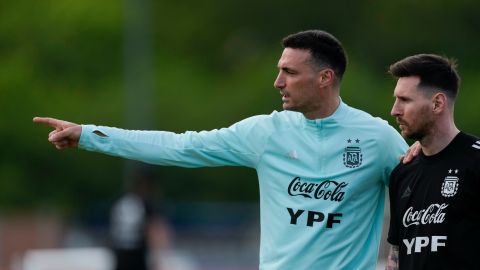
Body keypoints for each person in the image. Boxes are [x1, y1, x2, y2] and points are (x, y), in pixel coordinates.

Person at [34, 30, 411, 269]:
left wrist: (398, 255)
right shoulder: (266, 133)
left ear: (325, 78)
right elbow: (180, 146)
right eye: (279, 70)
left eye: (290, 73)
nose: (278, 81)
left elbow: (422, 192)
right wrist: (90, 134)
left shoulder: (376, 138)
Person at [385, 54, 480, 270]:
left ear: (437, 103)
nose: (395, 110)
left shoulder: (475, 162)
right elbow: (397, 253)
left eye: (405, 100)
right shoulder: (403, 172)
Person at [110, 168, 169, 270]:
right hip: (138, 256)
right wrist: (158, 256)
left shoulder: (120, 201)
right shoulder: (145, 204)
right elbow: (152, 230)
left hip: (120, 254)